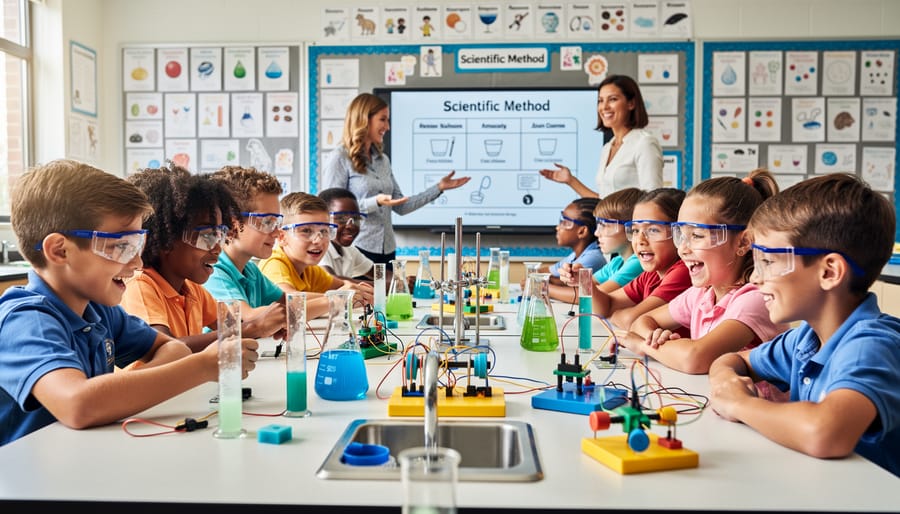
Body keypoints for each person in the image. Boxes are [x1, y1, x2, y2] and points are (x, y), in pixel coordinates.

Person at [0, 160, 258, 446]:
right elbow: (78, 405)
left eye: (137, 245)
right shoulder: (25, 320)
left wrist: (113, 396)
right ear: (60, 251)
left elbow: (171, 347)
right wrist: (203, 367)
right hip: (29, 485)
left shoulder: (99, 311)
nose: (137, 262)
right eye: (122, 246)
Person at [708, 174, 900, 476]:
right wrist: (726, 380)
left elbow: (826, 433)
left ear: (829, 272)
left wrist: (739, 404)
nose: (755, 277)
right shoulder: (806, 339)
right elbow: (732, 360)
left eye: (768, 262)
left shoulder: (871, 345)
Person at [621, 170, 790, 374]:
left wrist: (643, 345)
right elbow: (641, 322)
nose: (683, 248)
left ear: (744, 242)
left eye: (697, 235)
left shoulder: (755, 298)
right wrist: (656, 339)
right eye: (680, 235)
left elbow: (695, 358)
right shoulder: (703, 294)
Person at [121, 166, 283, 351]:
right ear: (167, 239)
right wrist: (252, 328)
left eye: (220, 235)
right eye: (206, 236)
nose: (217, 248)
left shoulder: (192, 290)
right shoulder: (140, 285)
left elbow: (231, 327)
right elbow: (166, 348)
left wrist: (270, 326)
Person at [320, 92, 470, 265]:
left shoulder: (383, 160)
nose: (387, 126)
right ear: (364, 120)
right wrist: (375, 201)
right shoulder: (339, 158)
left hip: (387, 250)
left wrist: (439, 188)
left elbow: (402, 206)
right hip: (356, 248)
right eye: (382, 120)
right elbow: (329, 211)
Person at [539, 75, 662, 199]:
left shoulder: (644, 143)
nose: (604, 107)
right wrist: (571, 181)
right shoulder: (608, 147)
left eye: (612, 99)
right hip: (604, 219)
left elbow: (653, 202)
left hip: (630, 219)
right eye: (600, 100)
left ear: (631, 103)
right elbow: (604, 202)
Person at [589, 188, 691, 333]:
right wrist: (584, 281)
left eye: (653, 230)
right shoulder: (651, 274)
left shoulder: (683, 272)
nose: (640, 240)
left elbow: (630, 320)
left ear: (679, 234)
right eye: (635, 230)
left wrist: (616, 314)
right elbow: (604, 307)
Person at [259, 192, 374, 318]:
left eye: (324, 231)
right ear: (281, 237)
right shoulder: (275, 263)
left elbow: (343, 286)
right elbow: (289, 303)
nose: (318, 240)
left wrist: (360, 292)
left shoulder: (310, 270)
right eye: (306, 231)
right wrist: (340, 298)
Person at [205, 166, 288, 333]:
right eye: (266, 222)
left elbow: (288, 302)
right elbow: (247, 319)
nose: (277, 232)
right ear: (232, 223)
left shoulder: (249, 270)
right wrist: (336, 300)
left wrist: (336, 297)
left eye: (277, 222)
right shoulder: (213, 269)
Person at [554, 187, 644, 303]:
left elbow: (590, 296)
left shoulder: (637, 263)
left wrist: (543, 287)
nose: (597, 233)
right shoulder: (616, 262)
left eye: (605, 225)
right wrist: (577, 278)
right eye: (598, 225)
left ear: (631, 228)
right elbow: (589, 288)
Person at [538, 197, 605, 293]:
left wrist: (543, 285)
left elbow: (584, 293)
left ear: (582, 231)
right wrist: (550, 280)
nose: (558, 227)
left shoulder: (593, 257)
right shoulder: (574, 256)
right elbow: (543, 272)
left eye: (565, 222)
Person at [317, 187, 376, 282]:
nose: (351, 226)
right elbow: (331, 280)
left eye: (356, 219)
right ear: (323, 219)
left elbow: (380, 273)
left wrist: (400, 279)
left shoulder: (349, 251)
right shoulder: (318, 247)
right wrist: (381, 285)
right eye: (341, 219)